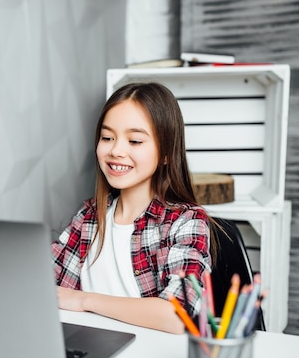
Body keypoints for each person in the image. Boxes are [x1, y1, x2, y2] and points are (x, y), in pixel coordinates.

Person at [52, 82, 211, 334]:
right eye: (107, 138)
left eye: (134, 141)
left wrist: (85, 300)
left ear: (166, 153)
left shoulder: (186, 221)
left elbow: (177, 315)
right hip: (88, 346)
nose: (116, 150)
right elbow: (44, 281)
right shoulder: (89, 217)